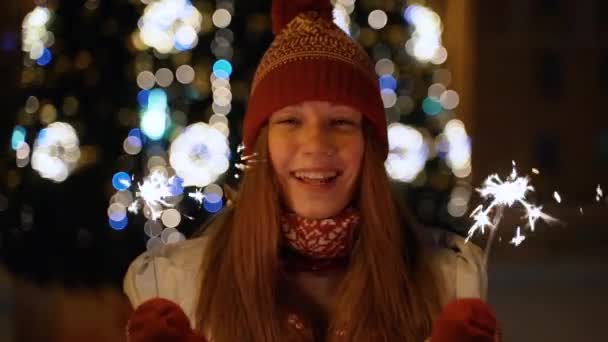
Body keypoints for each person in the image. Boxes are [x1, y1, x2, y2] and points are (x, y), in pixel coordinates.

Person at [123, 0, 488, 341]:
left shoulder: (446, 283)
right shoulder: (178, 285)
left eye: (341, 121)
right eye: (291, 120)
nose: (316, 144)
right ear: (261, 145)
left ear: (369, 145)